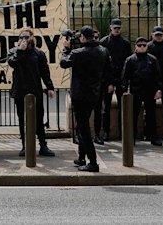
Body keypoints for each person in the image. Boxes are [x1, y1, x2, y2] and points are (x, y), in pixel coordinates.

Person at [60, 26, 110, 172]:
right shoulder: (103, 51)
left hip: (80, 95)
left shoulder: (79, 53)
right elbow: (109, 69)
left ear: (82, 37)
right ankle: (81, 157)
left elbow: (63, 62)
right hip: (93, 94)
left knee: (84, 129)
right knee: (82, 126)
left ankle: (93, 162)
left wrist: (66, 49)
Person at [7, 27, 56, 157]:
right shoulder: (14, 51)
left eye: (26, 37)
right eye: (22, 37)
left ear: (31, 38)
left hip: (35, 90)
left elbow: (45, 71)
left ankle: (43, 145)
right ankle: (25, 146)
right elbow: (12, 63)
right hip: (20, 91)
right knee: (22, 119)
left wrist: (49, 87)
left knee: (39, 119)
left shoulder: (38, 53)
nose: (24, 39)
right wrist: (20, 51)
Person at [122, 36, 163, 147]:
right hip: (135, 91)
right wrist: (124, 91)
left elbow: (158, 76)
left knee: (151, 115)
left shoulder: (152, 59)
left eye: (144, 45)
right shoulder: (130, 60)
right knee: (133, 115)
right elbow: (125, 76)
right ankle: (131, 138)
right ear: (135, 46)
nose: (142, 47)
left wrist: (159, 90)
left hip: (150, 91)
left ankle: (153, 137)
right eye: (139, 45)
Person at [98, 18, 130, 144]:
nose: (116, 30)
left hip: (121, 78)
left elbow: (128, 63)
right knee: (106, 107)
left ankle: (123, 131)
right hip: (108, 79)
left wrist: (125, 80)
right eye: (115, 28)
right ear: (110, 28)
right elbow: (103, 64)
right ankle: (106, 131)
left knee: (123, 106)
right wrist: (109, 81)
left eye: (118, 28)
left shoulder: (125, 43)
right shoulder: (104, 42)